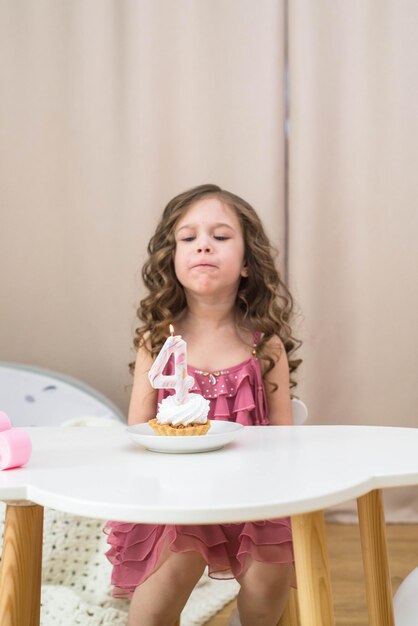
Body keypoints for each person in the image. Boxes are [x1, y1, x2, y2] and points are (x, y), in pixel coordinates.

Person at [105, 184, 302, 626]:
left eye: (221, 236)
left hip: (256, 496)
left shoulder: (264, 346)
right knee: (161, 592)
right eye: (188, 237)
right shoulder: (157, 342)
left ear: (248, 263)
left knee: (268, 581)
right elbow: (138, 433)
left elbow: (285, 442)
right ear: (172, 260)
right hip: (177, 498)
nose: (204, 245)